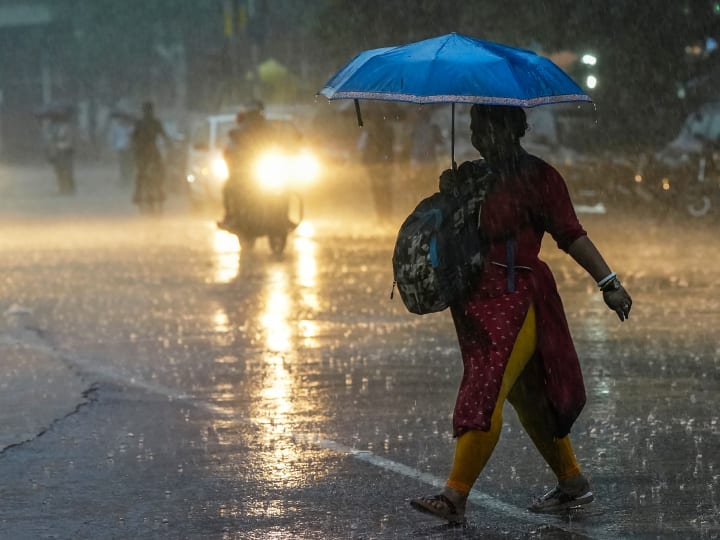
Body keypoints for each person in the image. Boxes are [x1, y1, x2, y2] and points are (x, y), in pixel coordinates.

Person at [409, 104, 633, 523]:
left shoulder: (540, 178)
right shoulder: (473, 177)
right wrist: (451, 196)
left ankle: (454, 497)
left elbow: (571, 235)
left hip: (517, 300)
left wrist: (609, 283)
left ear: (513, 130)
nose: (478, 137)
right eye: (474, 128)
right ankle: (572, 483)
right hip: (475, 303)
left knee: (485, 390)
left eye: (487, 128)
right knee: (528, 397)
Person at [218, 102, 277, 229]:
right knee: (229, 188)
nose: (255, 118)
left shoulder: (268, 129)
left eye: (257, 115)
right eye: (252, 115)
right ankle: (230, 215)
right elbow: (229, 152)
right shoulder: (240, 130)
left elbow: (279, 142)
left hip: (264, 168)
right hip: (243, 171)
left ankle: (281, 217)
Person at [358, 107, 395, 224]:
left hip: (381, 166)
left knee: (382, 192)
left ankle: (384, 217)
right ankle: (383, 217)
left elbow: (363, 150)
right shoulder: (378, 132)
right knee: (382, 192)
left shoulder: (374, 133)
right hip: (379, 166)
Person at [131, 101, 169, 212]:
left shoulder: (153, 123)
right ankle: (139, 193)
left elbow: (164, 136)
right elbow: (134, 138)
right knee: (141, 174)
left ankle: (158, 191)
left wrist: (169, 143)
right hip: (144, 153)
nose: (148, 112)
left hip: (150, 152)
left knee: (159, 172)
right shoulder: (144, 123)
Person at [45, 114, 76, 195]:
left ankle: (68, 189)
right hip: (58, 153)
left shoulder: (68, 129)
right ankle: (62, 188)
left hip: (65, 153)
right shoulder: (54, 129)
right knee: (59, 171)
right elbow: (51, 141)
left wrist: (59, 145)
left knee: (66, 171)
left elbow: (70, 142)